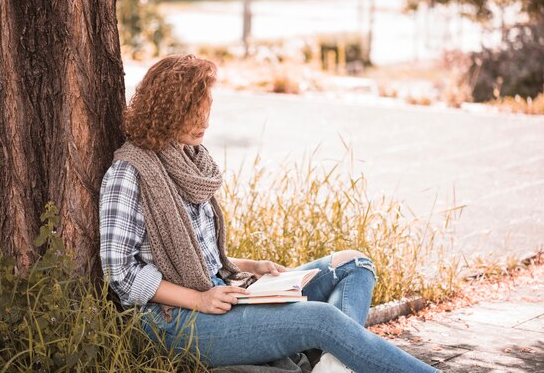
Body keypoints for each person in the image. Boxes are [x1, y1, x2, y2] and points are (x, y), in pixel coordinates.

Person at [99, 54, 441, 373]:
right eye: (192, 111)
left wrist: (250, 267)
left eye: (207, 108)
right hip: (178, 320)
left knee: (353, 265)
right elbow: (121, 273)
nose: (204, 121)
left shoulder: (190, 160)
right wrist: (199, 299)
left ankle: (332, 365)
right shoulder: (130, 172)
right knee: (322, 320)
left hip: (223, 289)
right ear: (166, 110)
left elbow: (196, 257)